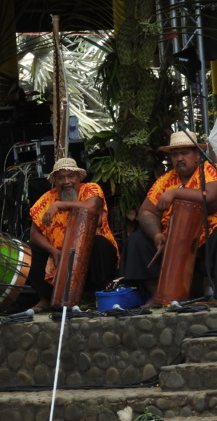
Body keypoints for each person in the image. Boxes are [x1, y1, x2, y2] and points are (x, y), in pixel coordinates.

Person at [120, 130, 217, 301]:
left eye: (184, 153)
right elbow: (146, 211)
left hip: (203, 236)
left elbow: (209, 196)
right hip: (170, 238)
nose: (179, 158)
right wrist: (156, 234)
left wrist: (174, 194)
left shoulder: (208, 170)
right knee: (137, 241)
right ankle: (158, 295)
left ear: (196, 154)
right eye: (174, 154)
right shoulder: (165, 180)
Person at [28, 158, 119, 311]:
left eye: (71, 176)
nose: (66, 181)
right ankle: (46, 297)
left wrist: (59, 205)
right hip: (59, 257)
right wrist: (53, 251)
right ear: (55, 181)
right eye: (61, 178)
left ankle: (100, 294)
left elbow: (92, 208)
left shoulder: (91, 189)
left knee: (100, 243)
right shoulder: (46, 200)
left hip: (89, 257)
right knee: (30, 249)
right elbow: (34, 234)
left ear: (79, 178)